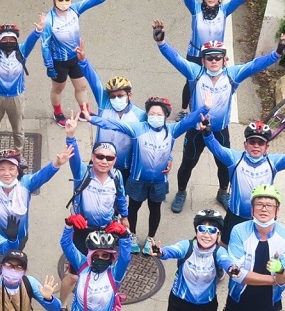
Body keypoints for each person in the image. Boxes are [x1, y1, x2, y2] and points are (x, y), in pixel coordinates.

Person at [155, 20, 285, 212]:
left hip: (219, 130)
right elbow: (176, 59)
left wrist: (277, 54)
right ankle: (181, 192)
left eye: (218, 57)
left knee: (225, 165)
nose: (214, 61)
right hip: (196, 130)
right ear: (203, 60)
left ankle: (222, 192)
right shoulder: (196, 72)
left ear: (225, 60)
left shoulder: (232, 75)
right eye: (209, 57)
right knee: (188, 163)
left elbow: (254, 66)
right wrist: (161, 43)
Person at [87, 96, 204, 251]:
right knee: (133, 209)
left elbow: (188, 120)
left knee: (155, 210)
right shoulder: (138, 128)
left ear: (166, 115)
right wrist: (92, 118)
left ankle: (151, 238)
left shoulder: (172, 130)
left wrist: (206, 108)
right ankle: (132, 235)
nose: (155, 117)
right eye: (151, 114)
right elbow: (114, 125)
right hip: (137, 180)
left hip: (159, 182)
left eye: (159, 114)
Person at [56, 121, 129, 311]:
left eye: (109, 158)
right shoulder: (83, 174)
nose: (104, 161)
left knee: (103, 269)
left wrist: (124, 218)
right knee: (73, 274)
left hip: (107, 230)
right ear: (93, 157)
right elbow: (74, 159)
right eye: (100, 156)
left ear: (115, 160)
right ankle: (62, 306)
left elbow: (121, 198)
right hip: (82, 230)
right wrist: (71, 136)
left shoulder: (117, 176)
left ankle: (97, 301)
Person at [199, 117, 285, 243]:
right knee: (225, 245)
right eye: (252, 142)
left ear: (266, 147)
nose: (256, 146)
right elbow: (217, 148)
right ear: (245, 145)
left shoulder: (273, 162)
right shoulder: (234, 159)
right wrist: (207, 134)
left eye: (260, 143)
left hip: (261, 219)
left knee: (258, 249)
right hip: (235, 216)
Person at [39, 0, 119, 127]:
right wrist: (49, 65)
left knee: (81, 86)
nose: (64, 2)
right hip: (59, 62)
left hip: (76, 57)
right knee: (58, 89)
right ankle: (58, 113)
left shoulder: (74, 9)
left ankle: (84, 112)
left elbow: (92, 1)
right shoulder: (49, 20)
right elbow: (44, 45)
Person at [173, 0, 258, 105]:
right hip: (195, 53)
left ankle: (210, 107)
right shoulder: (195, 8)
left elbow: (238, 0)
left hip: (214, 55)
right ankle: (184, 110)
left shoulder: (224, 10)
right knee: (191, 81)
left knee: (214, 81)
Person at [0, 10, 41, 150]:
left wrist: (38, 31)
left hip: (16, 97)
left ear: (16, 40)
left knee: (18, 129)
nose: (8, 42)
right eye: (4, 40)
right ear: (0, 41)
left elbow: (31, 41)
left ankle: (18, 152)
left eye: (12, 39)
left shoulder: (22, 51)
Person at [79, 50, 144, 182]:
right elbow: (94, 81)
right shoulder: (104, 103)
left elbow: (155, 133)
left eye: (120, 95)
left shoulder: (140, 115)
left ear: (129, 95)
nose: (116, 99)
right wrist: (83, 61)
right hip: (99, 160)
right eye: (112, 96)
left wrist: (168, 158)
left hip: (124, 166)